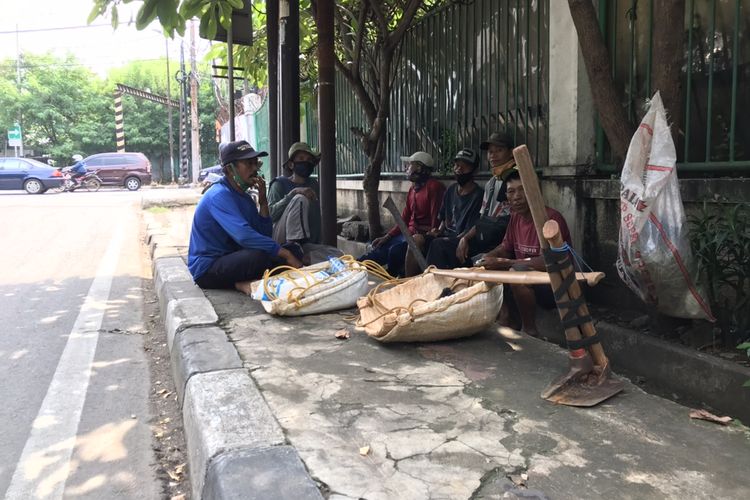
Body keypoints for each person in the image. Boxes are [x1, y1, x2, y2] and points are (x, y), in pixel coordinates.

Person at [188, 140, 303, 295]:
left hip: (234, 259)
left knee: (294, 249)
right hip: (207, 268)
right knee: (261, 256)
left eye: (256, 163)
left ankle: (247, 279)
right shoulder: (219, 195)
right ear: (230, 169)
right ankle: (238, 283)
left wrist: (263, 202)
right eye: (248, 164)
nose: (255, 168)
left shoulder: (245, 198)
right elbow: (245, 236)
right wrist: (285, 254)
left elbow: (263, 235)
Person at [480, 169, 571, 337]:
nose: (517, 196)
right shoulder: (515, 217)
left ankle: (530, 330)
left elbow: (551, 262)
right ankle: (506, 317)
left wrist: (506, 263)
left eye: (522, 190)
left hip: (555, 285)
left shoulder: (551, 219)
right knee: (487, 266)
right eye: (511, 191)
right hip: (526, 278)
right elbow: (505, 248)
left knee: (516, 273)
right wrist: (489, 257)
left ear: (535, 191)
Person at [359, 151, 445, 277]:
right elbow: (404, 218)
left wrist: (427, 236)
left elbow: (436, 221)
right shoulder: (412, 188)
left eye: (410, 165)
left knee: (394, 251)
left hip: (420, 237)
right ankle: (353, 267)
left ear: (420, 168)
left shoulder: (433, 187)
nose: (406, 168)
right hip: (408, 233)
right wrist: (387, 236)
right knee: (378, 248)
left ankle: (392, 278)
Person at [425, 148, 484, 269]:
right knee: (416, 240)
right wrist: (438, 231)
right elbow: (443, 217)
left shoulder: (478, 195)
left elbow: (471, 228)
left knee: (438, 245)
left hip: (462, 240)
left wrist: (454, 239)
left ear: (475, 171)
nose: (459, 169)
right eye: (457, 165)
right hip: (446, 236)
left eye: (464, 166)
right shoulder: (451, 190)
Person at [267, 142, 322, 246]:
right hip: (281, 241)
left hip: (308, 243)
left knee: (337, 255)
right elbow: (270, 216)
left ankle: (306, 248)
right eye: (301, 159)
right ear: (291, 164)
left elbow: (316, 217)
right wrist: (293, 193)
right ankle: (294, 248)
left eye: (309, 160)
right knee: (300, 199)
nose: (306, 162)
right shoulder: (279, 184)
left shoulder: (313, 184)